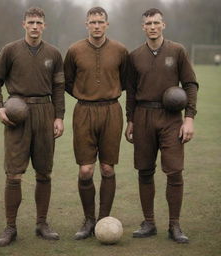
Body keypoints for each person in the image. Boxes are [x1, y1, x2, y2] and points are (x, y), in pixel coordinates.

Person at [0, 7, 65, 247]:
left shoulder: (54, 53)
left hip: (45, 112)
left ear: (44, 26)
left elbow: (58, 88)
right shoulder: (10, 51)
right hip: (16, 113)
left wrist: (59, 116)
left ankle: (42, 224)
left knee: (44, 172)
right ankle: (10, 227)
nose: (34, 26)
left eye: (38, 22)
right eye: (30, 22)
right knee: (14, 173)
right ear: (23, 25)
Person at [125, 8, 198, 243]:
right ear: (143, 27)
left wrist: (189, 118)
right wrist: (130, 120)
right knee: (145, 171)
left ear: (163, 25)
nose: (152, 27)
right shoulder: (134, 56)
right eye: (148, 23)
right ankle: (149, 222)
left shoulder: (177, 51)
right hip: (143, 115)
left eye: (156, 22)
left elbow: (190, 85)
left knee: (174, 171)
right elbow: (131, 93)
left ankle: (174, 226)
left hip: (171, 118)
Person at [64, 6, 128, 240]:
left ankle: (103, 218)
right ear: (86, 24)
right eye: (93, 22)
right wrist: (86, 94)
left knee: (108, 167)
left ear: (107, 24)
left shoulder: (120, 50)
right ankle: (89, 219)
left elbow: (126, 81)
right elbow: (67, 82)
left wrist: (106, 94)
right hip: (84, 111)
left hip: (112, 110)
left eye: (101, 21)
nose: (97, 25)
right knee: (85, 169)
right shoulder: (74, 50)